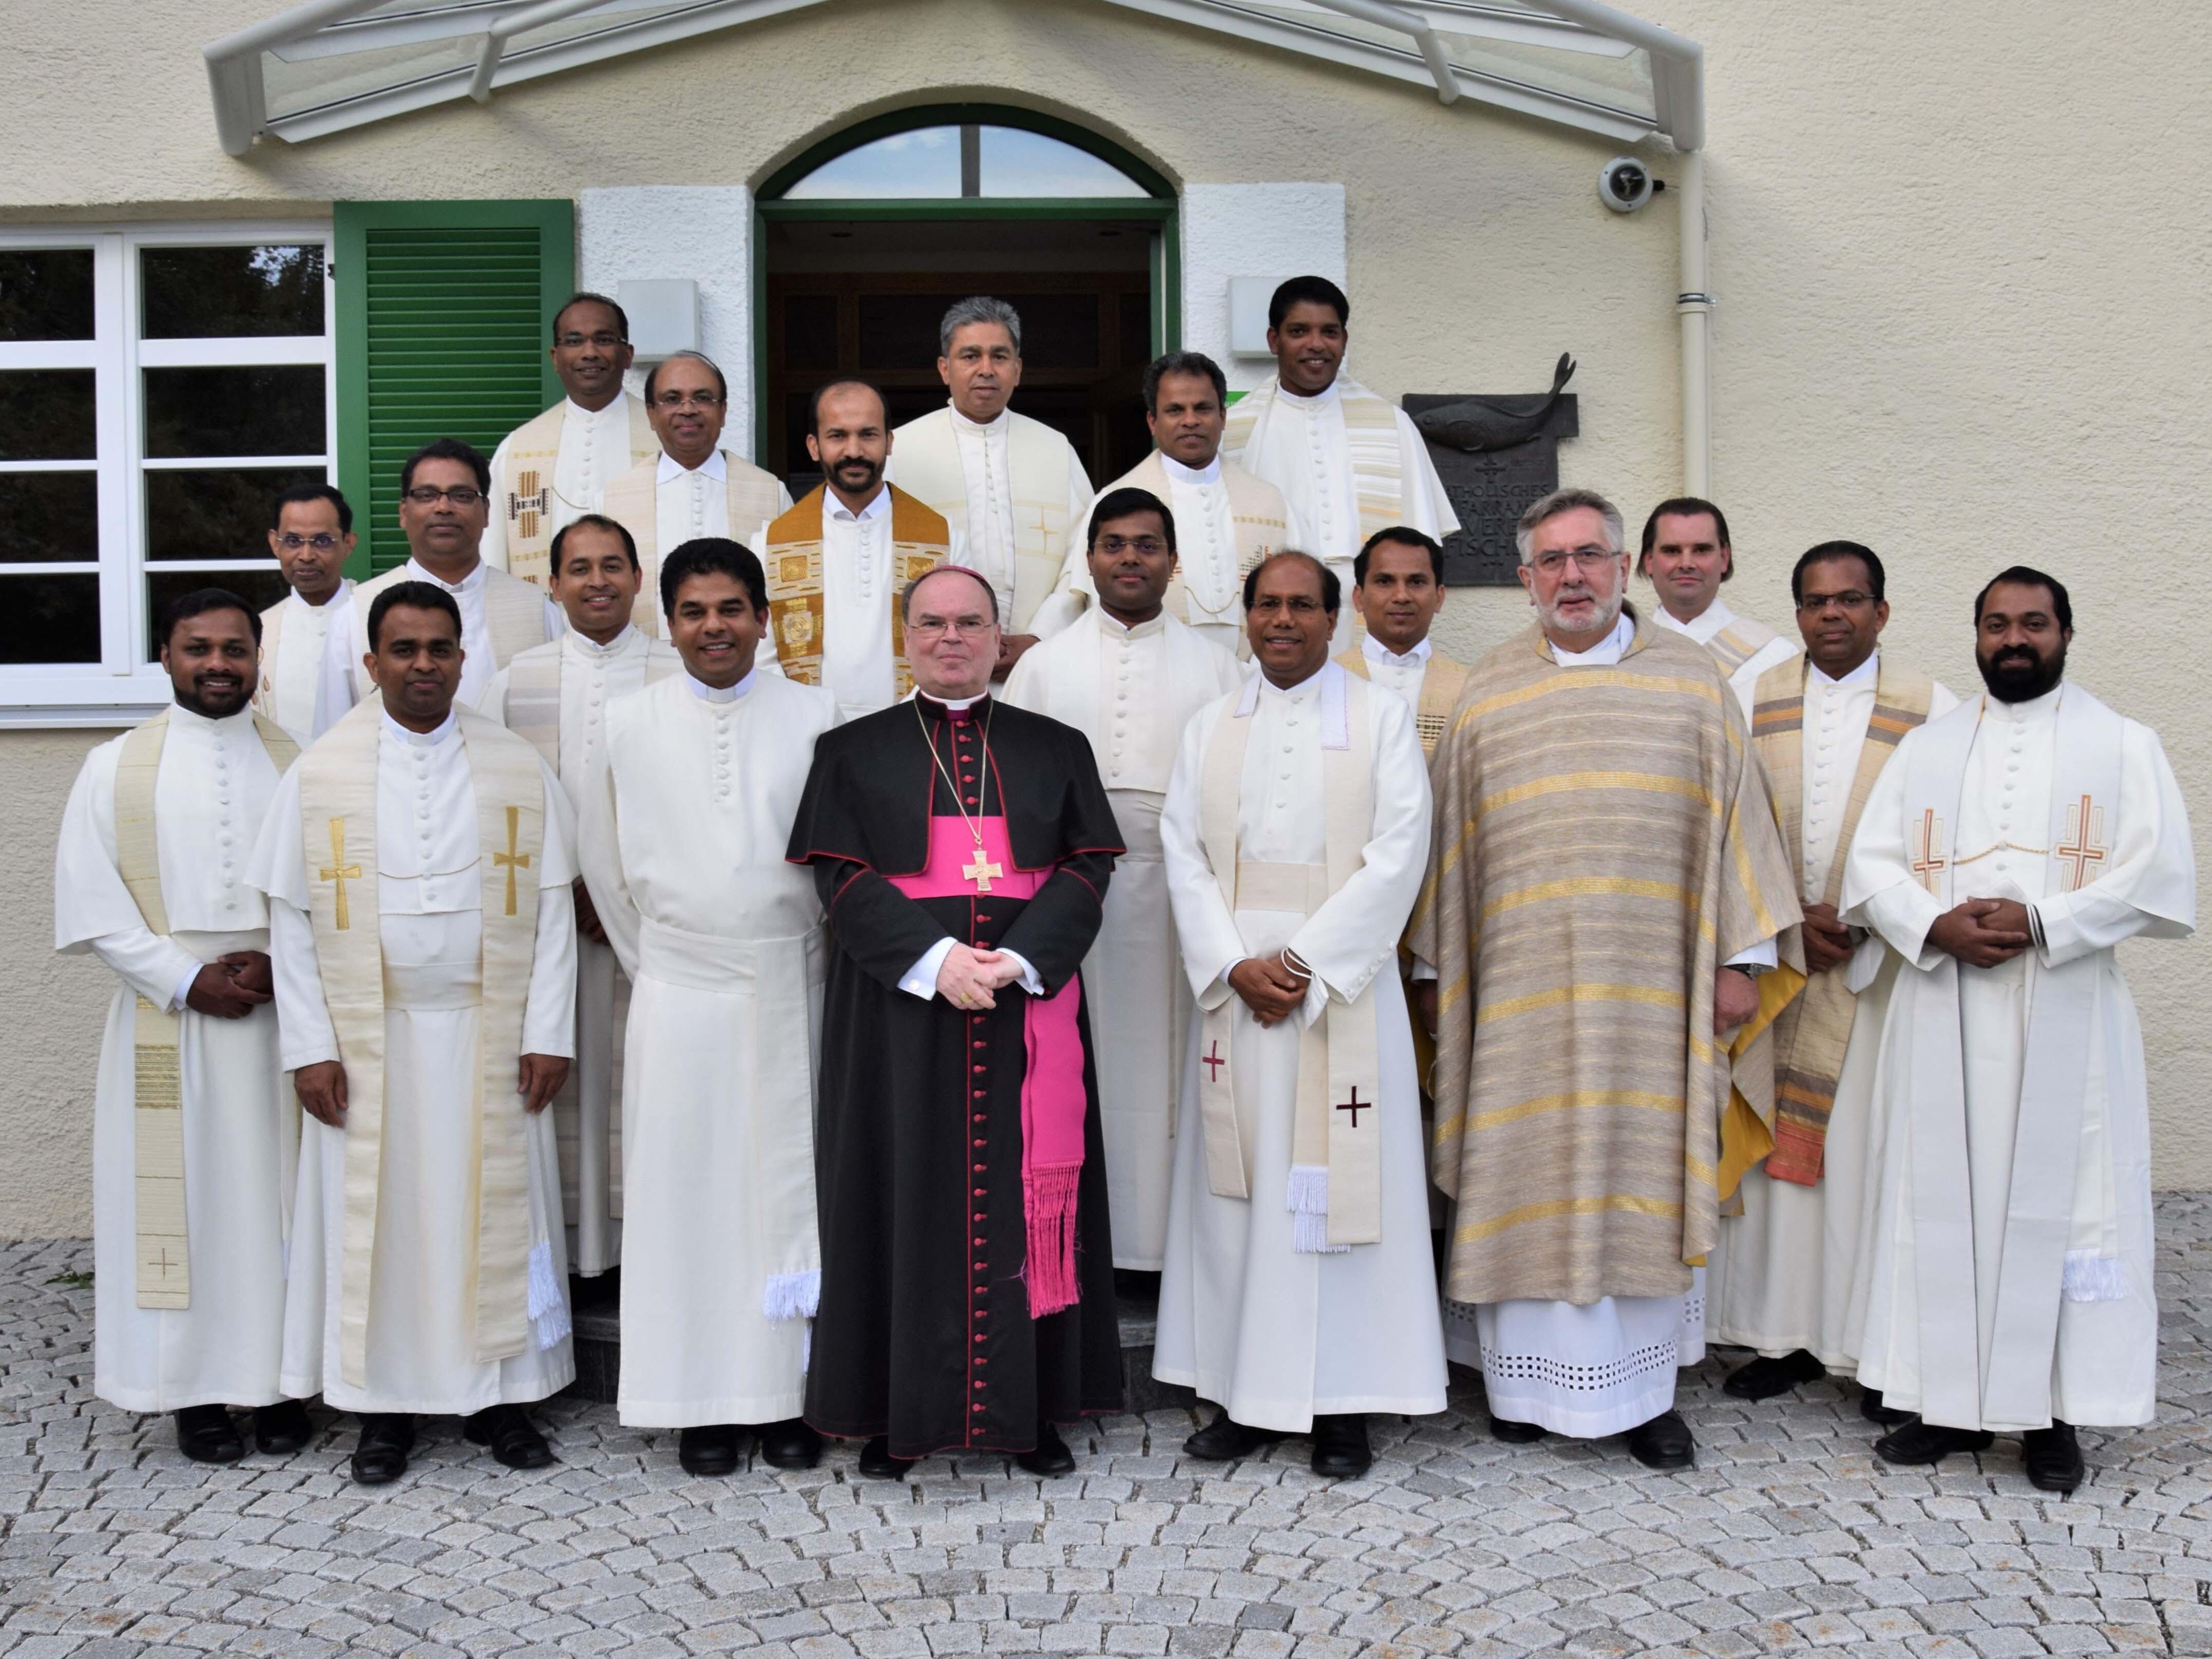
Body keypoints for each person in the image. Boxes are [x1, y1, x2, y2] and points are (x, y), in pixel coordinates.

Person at [1411, 488, 1799, 1469]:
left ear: (1623, 570)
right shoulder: (1487, 693)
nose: (1571, 575)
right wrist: (1431, 972)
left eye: (1590, 556)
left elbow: (1737, 831)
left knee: (1644, 1164)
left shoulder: (1693, 685)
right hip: (1514, 999)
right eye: (1552, 560)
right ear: (1524, 577)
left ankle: (1644, 1395)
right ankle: (1517, 1384)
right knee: (1521, 1164)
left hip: (1654, 995)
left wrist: (1739, 960)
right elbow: (1448, 862)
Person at [1841, 566, 2193, 1493]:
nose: (2012, 639)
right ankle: (1943, 1403)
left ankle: (2053, 1416)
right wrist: (1933, 924)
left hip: (2063, 1005)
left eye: (2031, 623)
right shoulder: (1925, 749)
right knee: (1937, 1201)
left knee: (2068, 1203)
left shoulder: (2121, 744)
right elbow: (1869, 868)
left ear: (2065, 633)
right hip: (1942, 1003)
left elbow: (2156, 877)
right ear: (1974, 634)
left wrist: (2043, 921)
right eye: (1995, 623)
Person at [786, 565, 1123, 1478]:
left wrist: (1015, 961)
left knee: (1026, 1208)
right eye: (932, 623)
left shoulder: (1054, 748)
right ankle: (904, 1416)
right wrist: (937, 964)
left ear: (998, 636)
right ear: (906, 637)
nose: (950, 638)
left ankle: (1033, 1411)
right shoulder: (850, 752)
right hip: (901, 1021)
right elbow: (841, 880)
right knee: (904, 1202)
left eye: (970, 623)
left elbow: (1087, 870)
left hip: (1025, 1014)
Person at [250, 582, 580, 1487]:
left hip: (490, 1033)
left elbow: (551, 910)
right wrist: (310, 1046)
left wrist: (549, 1030)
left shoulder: (514, 763)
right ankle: (380, 1410)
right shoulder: (321, 771)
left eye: (440, 648)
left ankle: (502, 1399)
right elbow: (291, 921)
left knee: (492, 1219)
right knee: (382, 1225)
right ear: (372, 662)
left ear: (462, 660)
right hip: (370, 1043)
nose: (424, 664)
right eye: (405, 649)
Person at [1153, 551, 1445, 1478]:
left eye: (1302, 607)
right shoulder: (1209, 726)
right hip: (1238, 990)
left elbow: (1401, 852)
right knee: (1240, 1199)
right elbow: (1181, 852)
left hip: (1337, 990)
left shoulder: (1379, 718)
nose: (1283, 621)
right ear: (1244, 618)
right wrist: (1233, 962)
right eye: (1267, 606)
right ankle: (1244, 1391)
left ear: (1335, 618)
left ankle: (1341, 1403)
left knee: (1337, 1199)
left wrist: (1307, 961)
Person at [579, 539, 840, 1475]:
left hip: (791, 986)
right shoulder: (626, 721)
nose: (714, 628)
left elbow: (841, 859)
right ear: (669, 620)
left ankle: (791, 1399)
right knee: (688, 1197)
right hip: (681, 990)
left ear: (764, 619)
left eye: (732, 609)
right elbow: (604, 867)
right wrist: (672, 964)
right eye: (693, 612)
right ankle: (698, 1402)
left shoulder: (818, 716)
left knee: (790, 1197)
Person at [54, 589, 312, 1465]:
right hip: (168, 1021)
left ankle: (283, 1384)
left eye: (235, 650)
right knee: (184, 1207)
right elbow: (92, 903)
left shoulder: (300, 762)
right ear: (165, 655)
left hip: (281, 1016)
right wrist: (184, 976)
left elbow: (333, 892)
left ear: (258, 660)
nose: (217, 665)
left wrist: (282, 961)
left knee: (281, 1203)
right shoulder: (114, 766)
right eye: (198, 648)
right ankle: (193, 1391)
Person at [1708, 543, 1957, 1411]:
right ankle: (1781, 1335)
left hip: (1878, 977)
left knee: (1867, 1158)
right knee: (1779, 1160)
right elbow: (1727, 824)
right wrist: (1783, 926)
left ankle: (1866, 1344)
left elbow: (1950, 843)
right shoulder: (1751, 698)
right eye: (1814, 602)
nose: (1831, 616)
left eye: (1849, 600)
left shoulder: (1934, 711)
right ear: (1796, 612)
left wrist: (1860, 919)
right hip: (1781, 966)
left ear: (1881, 612)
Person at [1003, 488, 1243, 1270]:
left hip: (1181, 901)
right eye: (1114, 544)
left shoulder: (1219, 665)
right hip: (1070, 903)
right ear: (1089, 559)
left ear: (1174, 563)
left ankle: (1172, 1249)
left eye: (1147, 545)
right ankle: (1081, 1242)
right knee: (1075, 1067)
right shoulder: (1043, 664)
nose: (1130, 558)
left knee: (1178, 1072)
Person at [483, 515, 681, 1279]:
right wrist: (572, 885)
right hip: (554, 924)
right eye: (579, 567)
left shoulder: (679, 671)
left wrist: (622, 888)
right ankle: (571, 1255)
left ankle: (648, 1250)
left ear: (638, 578)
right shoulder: (516, 680)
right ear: (552, 583)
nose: (597, 581)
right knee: (565, 1086)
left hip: (652, 922)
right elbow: (503, 802)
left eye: (612, 565)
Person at [1218, 277, 1458, 651]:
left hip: (1362, 611)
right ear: (1273, 339)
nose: (1316, 344)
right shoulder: (1235, 431)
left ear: (1344, 340)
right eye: (1299, 331)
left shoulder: (1390, 425)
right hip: (1276, 610)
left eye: (1329, 332)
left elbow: (1421, 547)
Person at [885, 297, 1094, 664]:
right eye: (970, 356)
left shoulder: (1055, 449)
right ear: (944, 368)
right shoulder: (900, 450)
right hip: (936, 658)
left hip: (1039, 658)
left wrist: (1040, 636)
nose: (986, 369)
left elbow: (1083, 556)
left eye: (999, 356)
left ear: (1017, 369)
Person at [1045, 352, 1299, 651]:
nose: (1190, 421)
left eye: (1203, 409)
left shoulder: (1270, 502)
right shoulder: (1113, 503)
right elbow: (1094, 606)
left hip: (1253, 673)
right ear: (1152, 421)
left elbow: (1298, 592)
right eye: (1175, 410)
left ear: (1223, 416)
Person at [750, 379, 964, 720]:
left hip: (912, 727)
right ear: (814, 445)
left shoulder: (945, 537)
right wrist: (810, 719)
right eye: (837, 436)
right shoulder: (770, 543)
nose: (854, 451)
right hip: (806, 728)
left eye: (868, 434)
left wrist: (906, 720)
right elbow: (760, 651)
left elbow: (957, 637)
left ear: (889, 441)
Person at [349, 439, 563, 711]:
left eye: (461, 496)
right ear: (403, 512)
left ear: (486, 512)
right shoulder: (355, 612)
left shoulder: (536, 610)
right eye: (427, 495)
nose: (443, 508)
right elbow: (332, 733)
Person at [598, 350, 791, 634]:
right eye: (672, 399)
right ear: (651, 414)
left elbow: (786, 593)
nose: (688, 409)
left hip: (743, 665)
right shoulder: (613, 500)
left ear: (723, 411)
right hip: (646, 665)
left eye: (702, 398)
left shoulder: (769, 493)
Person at [482, 292, 658, 584]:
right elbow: (493, 562)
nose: (589, 353)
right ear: (555, 357)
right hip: (545, 625)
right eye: (574, 341)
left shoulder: (663, 441)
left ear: (627, 355)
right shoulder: (515, 451)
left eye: (603, 339)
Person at [1638, 498, 1799, 714]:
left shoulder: (1775, 657)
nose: (1686, 564)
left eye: (1702, 550)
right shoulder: (1623, 652)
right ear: (1649, 560)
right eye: (1672, 551)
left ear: (1724, 558)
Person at [1334, 527, 1470, 758]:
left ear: (1439, 597)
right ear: (1359, 598)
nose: (1401, 596)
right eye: (1385, 581)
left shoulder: (1469, 688)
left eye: (1416, 582)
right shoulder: (1328, 679)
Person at [253, 483, 360, 743]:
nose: (306, 555)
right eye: (293, 541)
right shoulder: (259, 632)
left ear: (348, 543)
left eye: (322, 541)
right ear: (274, 543)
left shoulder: (374, 613)